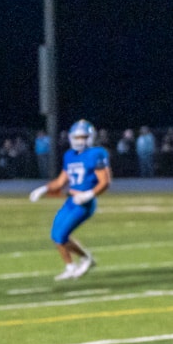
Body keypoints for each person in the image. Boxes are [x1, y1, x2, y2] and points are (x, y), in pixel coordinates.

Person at [29, 120, 110, 280]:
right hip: (71, 201)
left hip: (84, 204)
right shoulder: (69, 155)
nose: (80, 141)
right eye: (77, 137)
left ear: (90, 137)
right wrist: (44, 189)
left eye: (84, 137)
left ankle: (86, 258)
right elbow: (60, 182)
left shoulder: (97, 153)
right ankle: (70, 266)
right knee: (55, 235)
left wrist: (88, 195)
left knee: (61, 235)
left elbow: (105, 182)